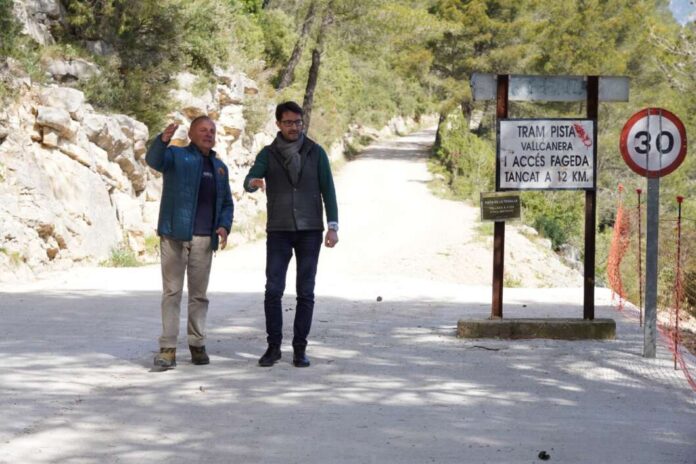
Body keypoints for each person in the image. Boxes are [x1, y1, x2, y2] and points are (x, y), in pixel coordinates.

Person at [244, 101, 339, 368]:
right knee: (273, 290)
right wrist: (253, 183)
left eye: (298, 122)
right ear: (278, 124)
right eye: (288, 122)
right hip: (279, 229)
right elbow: (250, 178)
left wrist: (333, 226)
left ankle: (300, 349)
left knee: (305, 291)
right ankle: (273, 347)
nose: (294, 127)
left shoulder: (315, 152)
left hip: (310, 230)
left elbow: (328, 190)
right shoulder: (268, 154)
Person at [146, 116, 234, 370]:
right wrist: (162, 141)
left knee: (199, 296)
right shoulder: (175, 156)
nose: (208, 134)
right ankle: (168, 349)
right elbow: (154, 160)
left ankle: (197, 344)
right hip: (174, 234)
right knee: (172, 293)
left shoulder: (219, 167)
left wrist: (224, 225)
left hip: (205, 239)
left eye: (212, 131)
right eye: (203, 130)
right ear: (192, 134)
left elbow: (227, 202)